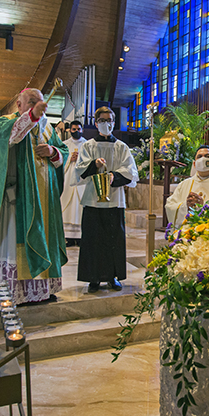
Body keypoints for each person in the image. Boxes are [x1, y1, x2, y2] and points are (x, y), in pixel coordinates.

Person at [0, 88, 69, 305]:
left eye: (40, 103)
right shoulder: (5, 122)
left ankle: (42, 290)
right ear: (19, 104)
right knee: (18, 240)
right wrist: (32, 116)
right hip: (19, 197)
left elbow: (64, 151)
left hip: (46, 198)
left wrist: (53, 151)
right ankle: (18, 292)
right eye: (32, 102)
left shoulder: (48, 129)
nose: (37, 107)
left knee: (46, 237)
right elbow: (12, 137)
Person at [75, 106, 138, 293]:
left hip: (114, 200)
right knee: (92, 240)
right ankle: (93, 279)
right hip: (92, 200)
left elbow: (131, 171)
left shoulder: (121, 147)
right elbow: (79, 170)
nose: (106, 124)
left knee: (114, 240)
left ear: (113, 122)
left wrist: (114, 176)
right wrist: (94, 164)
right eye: (102, 120)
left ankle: (112, 277)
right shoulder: (88, 146)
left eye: (109, 120)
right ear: (96, 123)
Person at [165, 145, 209, 228]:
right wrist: (186, 206)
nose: (203, 159)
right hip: (188, 235)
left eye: (207, 156)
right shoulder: (184, 184)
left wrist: (204, 207)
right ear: (194, 164)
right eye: (199, 157)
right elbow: (170, 206)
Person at [61, 120, 86, 246]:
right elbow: (59, 162)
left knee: (80, 206)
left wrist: (80, 159)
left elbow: (90, 162)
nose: (77, 131)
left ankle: (81, 237)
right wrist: (70, 159)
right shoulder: (64, 145)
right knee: (68, 206)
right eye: (74, 129)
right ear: (69, 130)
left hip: (82, 181)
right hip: (68, 180)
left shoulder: (88, 145)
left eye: (79, 129)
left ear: (82, 130)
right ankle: (69, 238)